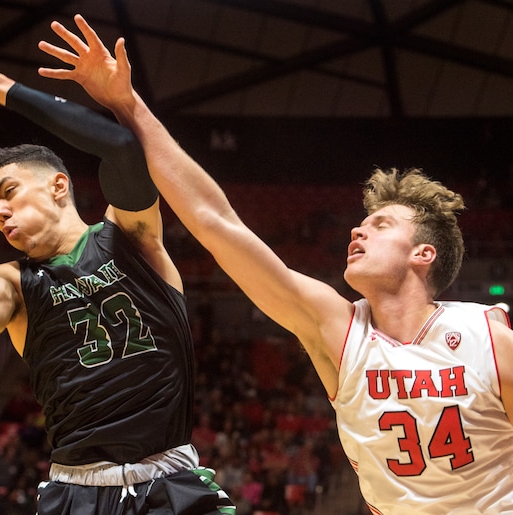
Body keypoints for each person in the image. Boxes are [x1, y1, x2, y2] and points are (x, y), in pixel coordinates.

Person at [34, 14, 513, 514]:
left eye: (382, 224)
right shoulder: (336, 327)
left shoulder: (487, 338)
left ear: (423, 254)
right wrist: (126, 104)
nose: (358, 229)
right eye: (362, 222)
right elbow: (216, 222)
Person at [0, 27, 235, 515]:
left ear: (58, 186)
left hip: (170, 481)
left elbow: (122, 148)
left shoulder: (129, 237)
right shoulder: (14, 282)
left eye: (7, 192)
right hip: (77, 491)